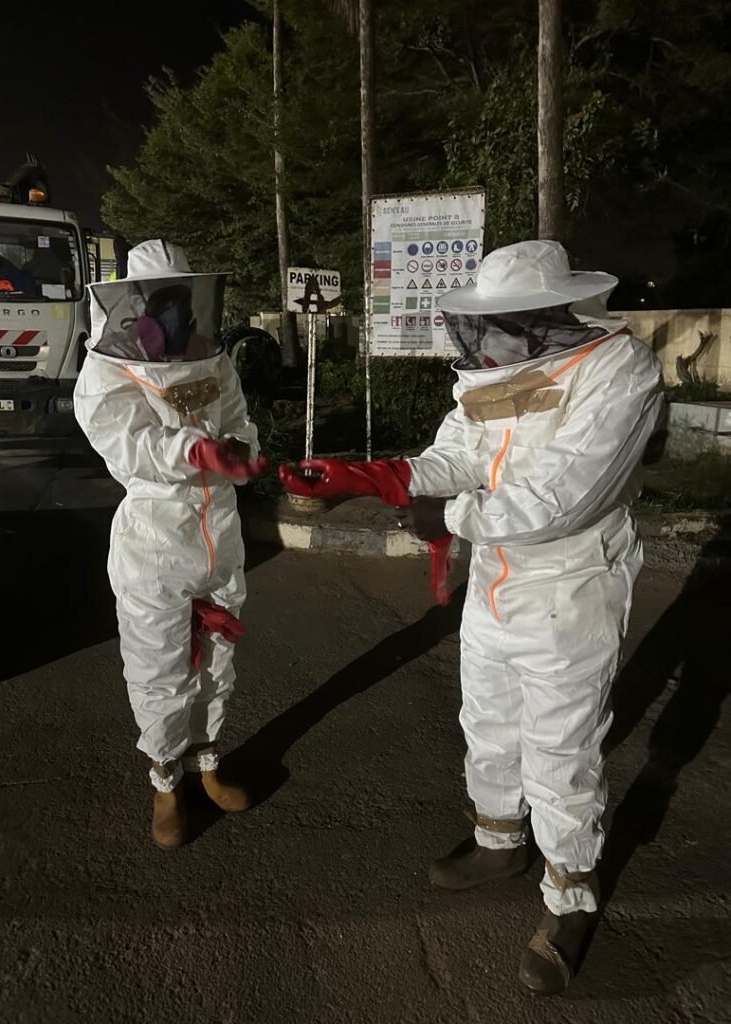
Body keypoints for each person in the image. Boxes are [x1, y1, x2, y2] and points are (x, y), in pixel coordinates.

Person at [279, 240, 664, 995]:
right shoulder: (497, 372)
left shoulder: (619, 371)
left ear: (553, 311)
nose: (490, 337)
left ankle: (571, 897)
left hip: (572, 586)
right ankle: (499, 841)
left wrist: (446, 515)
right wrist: (377, 476)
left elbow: (564, 498)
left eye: (509, 321)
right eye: (487, 322)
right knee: (488, 720)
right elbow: (457, 455)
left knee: (561, 748)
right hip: (495, 580)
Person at [74, 239, 266, 850]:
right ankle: (165, 781)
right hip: (155, 540)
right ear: (133, 304)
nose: (175, 311)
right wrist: (197, 450)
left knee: (217, 658)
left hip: (219, 534)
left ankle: (206, 763)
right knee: (158, 664)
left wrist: (242, 451)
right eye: (161, 300)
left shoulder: (212, 358)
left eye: (181, 297)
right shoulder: (107, 370)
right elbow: (128, 445)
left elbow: (238, 420)